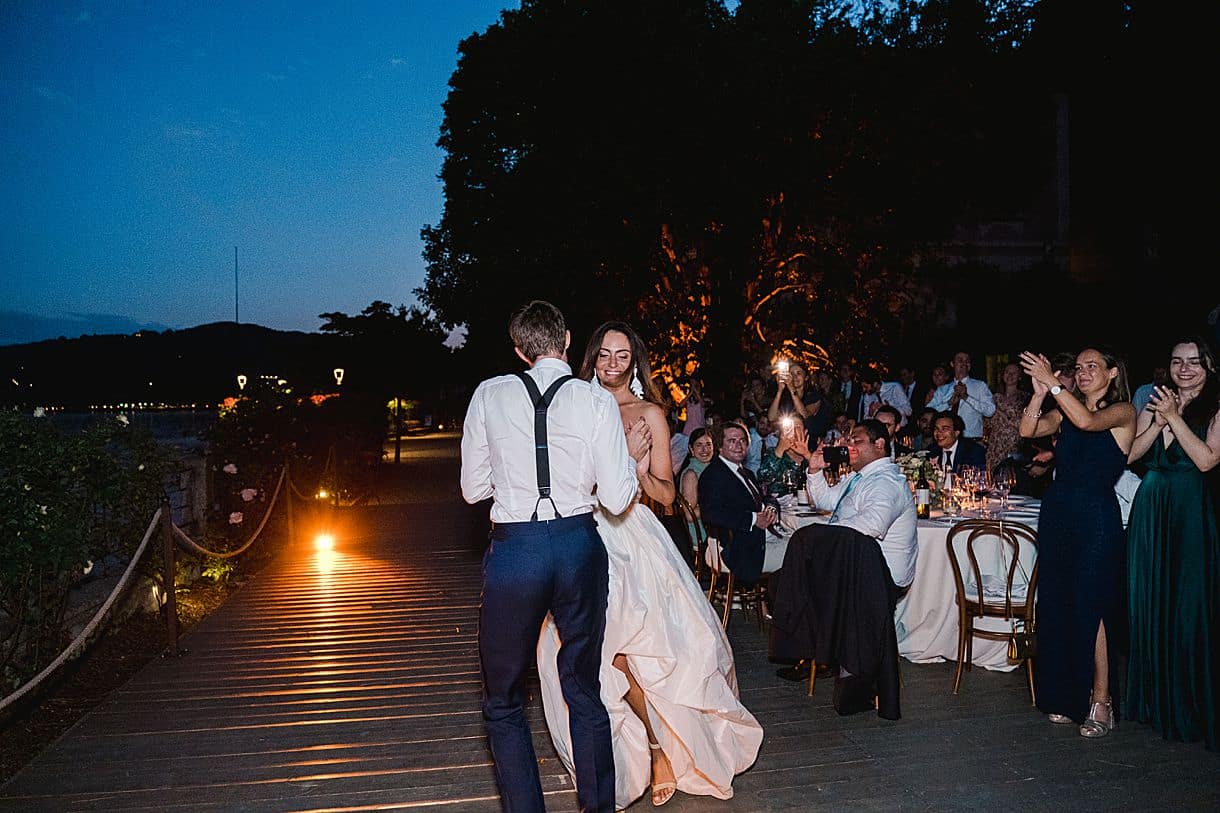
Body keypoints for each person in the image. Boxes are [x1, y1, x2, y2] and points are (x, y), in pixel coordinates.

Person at [537, 321, 763, 809]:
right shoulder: (572, 407)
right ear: (591, 358)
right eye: (604, 354)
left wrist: (636, 469)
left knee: (632, 647)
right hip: (580, 534)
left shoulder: (651, 415)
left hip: (631, 538)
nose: (613, 363)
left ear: (634, 361)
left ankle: (659, 748)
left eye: (622, 355)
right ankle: (615, 756)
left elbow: (665, 496)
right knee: (581, 650)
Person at [460, 300, 642, 812]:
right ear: (566, 339)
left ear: (520, 350)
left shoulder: (489, 394)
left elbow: (473, 489)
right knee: (583, 688)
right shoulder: (595, 401)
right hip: (579, 547)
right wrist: (625, 461)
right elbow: (615, 497)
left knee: (502, 701)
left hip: (516, 550)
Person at [1019, 347, 1136, 738]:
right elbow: (1027, 430)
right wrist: (1038, 392)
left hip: (1095, 518)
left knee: (1092, 606)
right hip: (1058, 515)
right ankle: (1068, 698)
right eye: (1079, 368)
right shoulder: (1065, 412)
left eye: (1092, 366)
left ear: (1113, 372)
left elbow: (1088, 421)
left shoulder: (1122, 412)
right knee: (1057, 603)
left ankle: (1102, 702)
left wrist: (1054, 383)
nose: (1083, 372)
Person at [1124, 335, 1220, 751]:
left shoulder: (1216, 408)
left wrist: (1175, 418)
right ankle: (1155, 704)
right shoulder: (1156, 403)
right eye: (1178, 361)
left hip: (1191, 514)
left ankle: (1191, 708)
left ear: (1209, 367)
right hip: (1151, 511)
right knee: (1149, 606)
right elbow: (1131, 455)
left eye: (1195, 361)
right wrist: (1159, 421)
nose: (1185, 368)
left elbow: (1205, 459)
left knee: (1188, 610)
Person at [772, 418, 919, 683]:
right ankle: (820, 652)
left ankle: (821, 653)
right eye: (849, 441)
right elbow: (827, 501)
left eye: (857, 441)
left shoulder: (886, 482)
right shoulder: (859, 477)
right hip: (854, 566)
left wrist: (821, 537)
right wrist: (815, 471)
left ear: (880, 444)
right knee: (787, 580)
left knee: (795, 580)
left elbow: (871, 526)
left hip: (880, 577)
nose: (850, 446)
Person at [698, 420, 784, 587]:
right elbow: (711, 514)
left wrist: (771, 507)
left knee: (802, 542)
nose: (739, 445)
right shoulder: (713, 475)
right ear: (719, 446)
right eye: (732, 441)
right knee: (802, 551)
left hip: (758, 539)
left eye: (743, 440)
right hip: (738, 552)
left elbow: (766, 496)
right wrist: (753, 519)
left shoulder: (746, 473)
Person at [928, 350, 996, 441]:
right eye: (960, 360)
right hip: (946, 440)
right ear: (952, 364)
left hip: (972, 440)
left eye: (967, 361)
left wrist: (967, 397)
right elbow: (929, 414)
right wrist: (948, 403)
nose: (964, 363)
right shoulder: (943, 390)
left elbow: (990, 411)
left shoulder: (980, 386)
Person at [982, 361, 1032, 474]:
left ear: (1019, 377)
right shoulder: (994, 397)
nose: (1010, 375)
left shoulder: (1026, 398)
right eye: (1007, 372)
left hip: (1014, 447)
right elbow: (987, 423)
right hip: (994, 447)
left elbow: (1026, 424)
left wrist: (1004, 415)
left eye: (1014, 373)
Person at [678, 426, 715, 554]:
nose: (705, 449)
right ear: (691, 449)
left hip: (713, 527)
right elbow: (689, 515)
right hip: (702, 534)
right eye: (699, 445)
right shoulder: (691, 474)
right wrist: (718, 504)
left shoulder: (711, 469)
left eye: (708, 444)